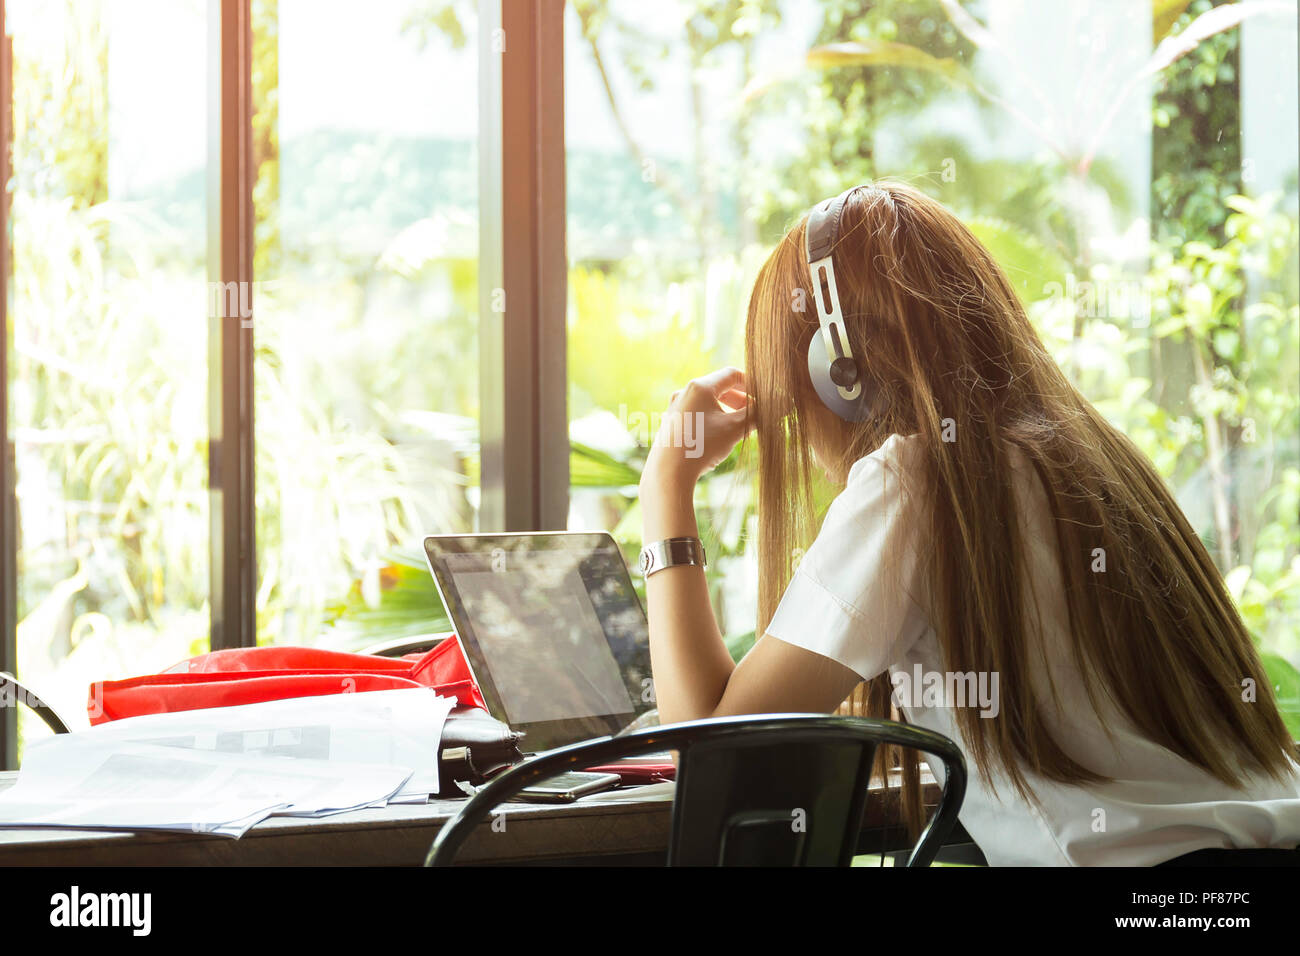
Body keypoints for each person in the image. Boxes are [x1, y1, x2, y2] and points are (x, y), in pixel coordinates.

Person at [636, 180, 1300, 866]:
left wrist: (666, 483)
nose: (796, 428)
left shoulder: (914, 483)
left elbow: (710, 757)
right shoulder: (1101, 460)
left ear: (843, 372)